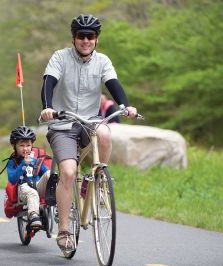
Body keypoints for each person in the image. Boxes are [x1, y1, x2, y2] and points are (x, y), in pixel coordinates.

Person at [39, 14, 138, 251]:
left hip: (89, 121)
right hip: (63, 124)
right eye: (81, 36)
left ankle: (97, 180)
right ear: (74, 38)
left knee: (104, 132)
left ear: (96, 39)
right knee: (69, 171)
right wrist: (47, 108)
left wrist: (126, 106)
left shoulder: (102, 61)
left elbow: (113, 84)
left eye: (90, 36)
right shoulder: (60, 58)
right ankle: (64, 231)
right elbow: (48, 83)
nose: (86, 40)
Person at [6, 126, 50, 229]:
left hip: (38, 186)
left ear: (32, 146)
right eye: (21, 145)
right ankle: (33, 216)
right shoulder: (12, 162)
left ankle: (60, 201)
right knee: (32, 193)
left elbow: (46, 174)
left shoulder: (36, 160)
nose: (25, 148)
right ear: (14, 146)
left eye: (28, 145)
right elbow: (12, 179)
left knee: (50, 174)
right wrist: (23, 165)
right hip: (23, 189)